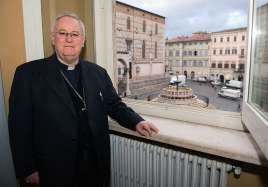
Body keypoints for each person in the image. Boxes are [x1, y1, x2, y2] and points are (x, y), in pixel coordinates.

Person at [8, 12, 159, 187]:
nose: (69, 39)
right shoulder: (28, 74)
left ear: (83, 40)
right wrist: (27, 168)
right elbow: (19, 126)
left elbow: (114, 105)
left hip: (94, 164)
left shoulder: (98, 73)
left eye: (75, 34)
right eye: (62, 33)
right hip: (53, 167)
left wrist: (137, 122)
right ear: (53, 38)